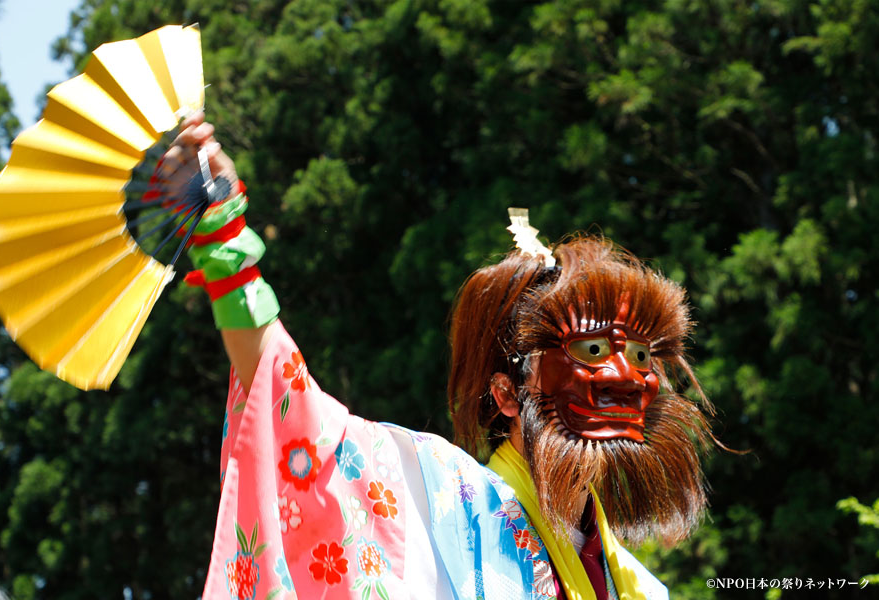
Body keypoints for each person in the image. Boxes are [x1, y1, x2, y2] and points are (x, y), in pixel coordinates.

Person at [161, 113, 714, 600]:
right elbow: (295, 411)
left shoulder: (636, 585)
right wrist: (225, 242)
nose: (629, 377)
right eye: (592, 351)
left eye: (642, 355)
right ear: (505, 394)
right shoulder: (439, 501)